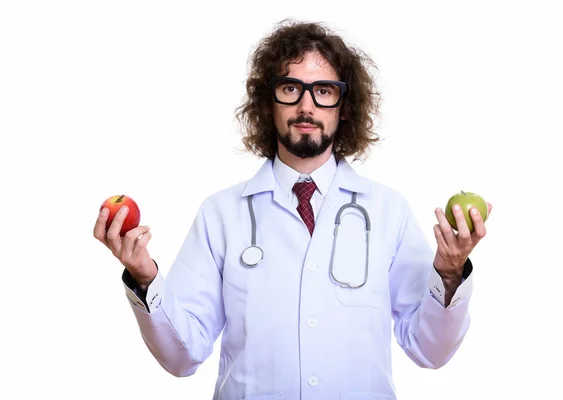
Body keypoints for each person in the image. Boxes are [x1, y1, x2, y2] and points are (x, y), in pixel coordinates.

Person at [93, 19, 492, 400]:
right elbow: (182, 356)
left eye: (324, 90)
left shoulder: (388, 211)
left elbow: (430, 350)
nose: (306, 105)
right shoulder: (221, 215)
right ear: (268, 104)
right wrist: (146, 280)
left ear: (344, 106)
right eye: (290, 89)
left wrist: (450, 272)